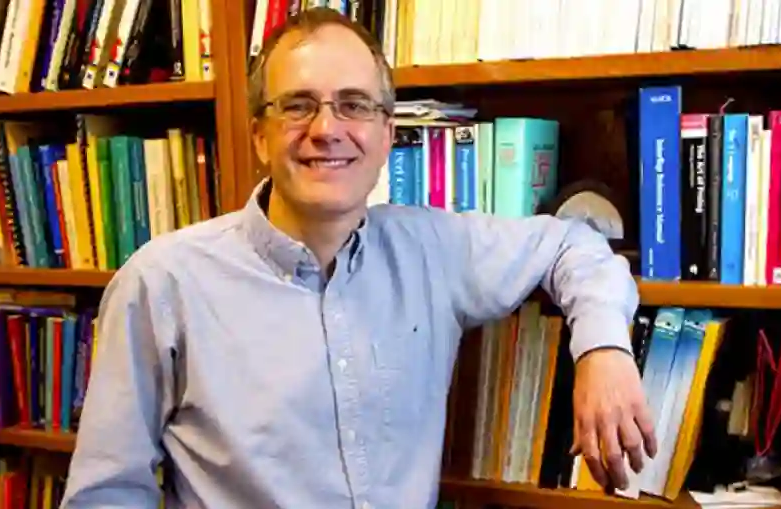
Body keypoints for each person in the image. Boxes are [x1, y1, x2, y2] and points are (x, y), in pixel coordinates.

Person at [60, 7, 655, 509]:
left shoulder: (434, 251)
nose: (326, 129)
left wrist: (602, 350)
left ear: (387, 133)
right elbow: (105, 495)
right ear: (260, 136)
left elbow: (573, 244)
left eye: (354, 105)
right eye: (298, 105)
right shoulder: (163, 284)